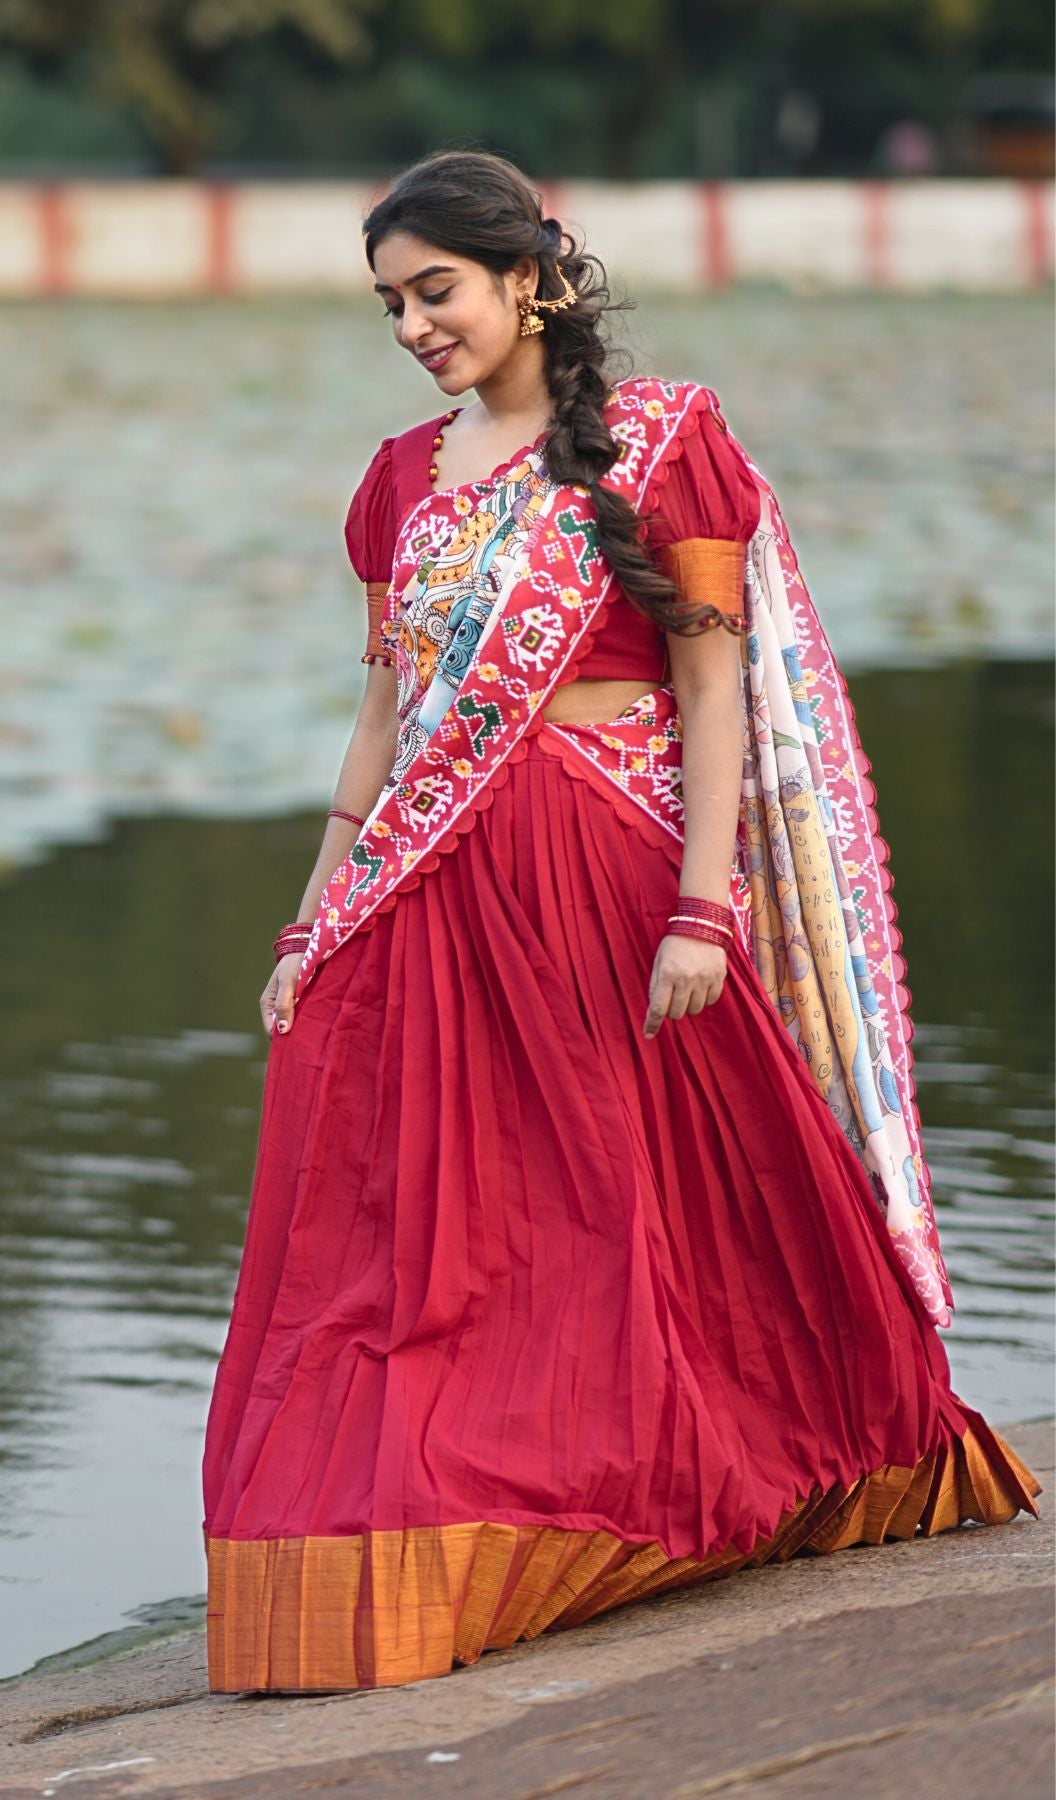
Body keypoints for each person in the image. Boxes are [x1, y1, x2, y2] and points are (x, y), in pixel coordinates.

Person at [201, 150, 1040, 1695]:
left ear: (529, 276)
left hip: (600, 873)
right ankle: (427, 1535)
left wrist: (702, 909)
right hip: (428, 889)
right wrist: (306, 924)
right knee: (422, 1238)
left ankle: (676, 1489)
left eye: (433, 290)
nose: (410, 327)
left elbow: (712, 681)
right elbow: (384, 722)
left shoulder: (662, 446)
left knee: (619, 1206)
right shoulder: (399, 481)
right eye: (389, 302)